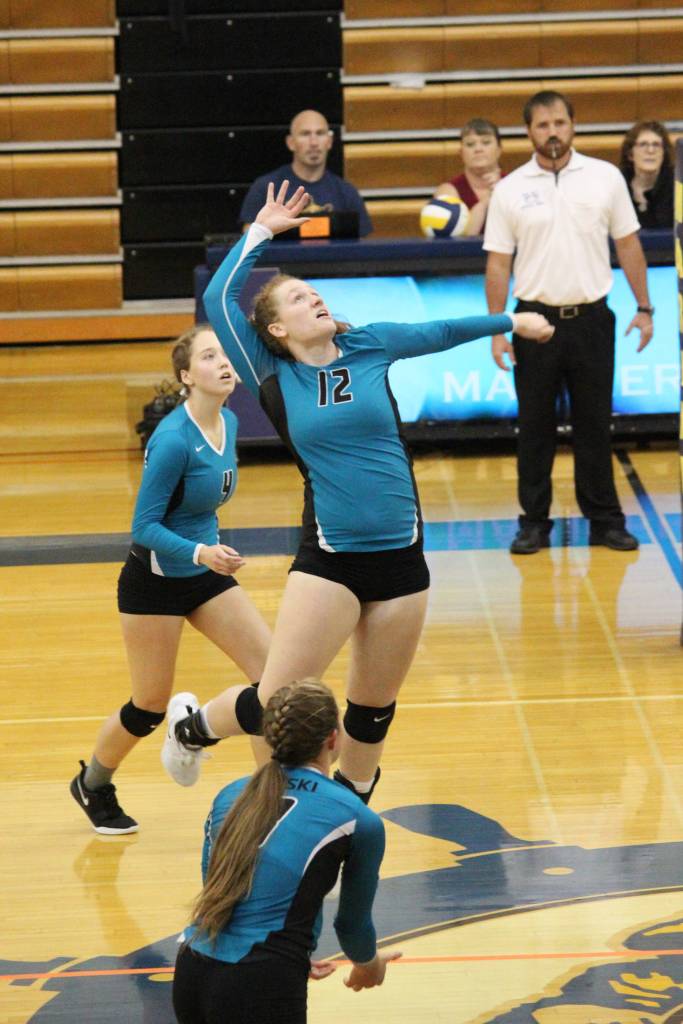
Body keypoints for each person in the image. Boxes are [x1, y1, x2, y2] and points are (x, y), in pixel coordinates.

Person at [160, 180, 553, 801]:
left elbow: (440, 330)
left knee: (371, 714)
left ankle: (347, 815)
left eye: (315, 293)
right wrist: (261, 231)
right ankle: (193, 728)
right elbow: (217, 296)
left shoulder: (368, 344)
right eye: (298, 298)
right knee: (278, 702)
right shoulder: (271, 372)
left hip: (402, 557)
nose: (314, 299)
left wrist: (511, 320)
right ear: (275, 327)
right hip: (332, 561)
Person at [70, 325, 271, 834]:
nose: (222, 363)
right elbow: (144, 526)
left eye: (224, 355)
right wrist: (201, 551)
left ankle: (272, 802)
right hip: (155, 583)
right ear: (186, 376)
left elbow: (201, 505)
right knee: (148, 707)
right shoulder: (173, 440)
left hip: (206, 575)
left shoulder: (227, 420)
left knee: (274, 682)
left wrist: (210, 551)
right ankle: (93, 784)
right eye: (208, 357)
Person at [484, 89, 655, 555]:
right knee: (534, 428)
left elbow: (629, 245)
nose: (553, 132)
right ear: (528, 132)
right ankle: (533, 523)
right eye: (543, 125)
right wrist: (498, 328)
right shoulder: (510, 189)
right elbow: (498, 263)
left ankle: (605, 520)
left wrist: (645, 307)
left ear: (573, 125)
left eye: (559, 122)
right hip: (532, 319)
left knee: (595, 424)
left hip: (592, 319)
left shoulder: (605, 177)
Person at [172, 679, 400, 1024]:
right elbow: (352, 927)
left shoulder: (231, 795)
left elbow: (218, 892)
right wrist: (370, 966)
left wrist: (292, 950)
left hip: (192, 972)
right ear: (333, 739)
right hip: (261, 981)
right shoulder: (357, 817)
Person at [238, 109, 372, 236]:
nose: (314, 142)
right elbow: (249, 239)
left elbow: (363, 244)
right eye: (305, 134)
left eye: (320, 133)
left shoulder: (347, 193)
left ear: (329, 141)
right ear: (291, 142)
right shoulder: (266, 189)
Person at [434, 117, 504, 235]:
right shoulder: (448, 192)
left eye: (486, 142)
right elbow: (462, 239)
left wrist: (504, 192)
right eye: (470, 144)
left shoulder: (514, 184)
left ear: (499, 150)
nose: (478, 149)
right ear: (461, 153)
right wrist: (486, 201)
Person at [619, 120, 674, 229]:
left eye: (656, 145)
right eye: (643, 144)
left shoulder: (676, 187)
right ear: (630, 154)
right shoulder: (617, 185)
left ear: (664, 153)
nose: (650, 150)